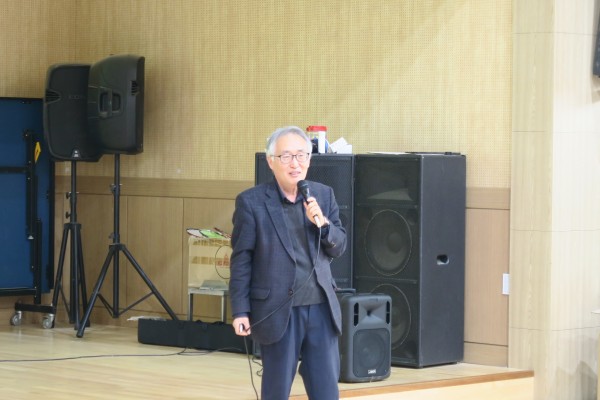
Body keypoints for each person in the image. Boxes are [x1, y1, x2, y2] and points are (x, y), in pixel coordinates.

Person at [229, 126, 347, 400]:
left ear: (309, 159)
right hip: (278, 310)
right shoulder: (252, 202)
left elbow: (339, 246)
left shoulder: (323, 195)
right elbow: (242, 260)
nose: (295, 163)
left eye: (301, 155)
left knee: (326, 391)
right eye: (286, 156)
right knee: (276, 390)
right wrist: (240, 310)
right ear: (271, 161)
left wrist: (323, 224)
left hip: (321, 308)